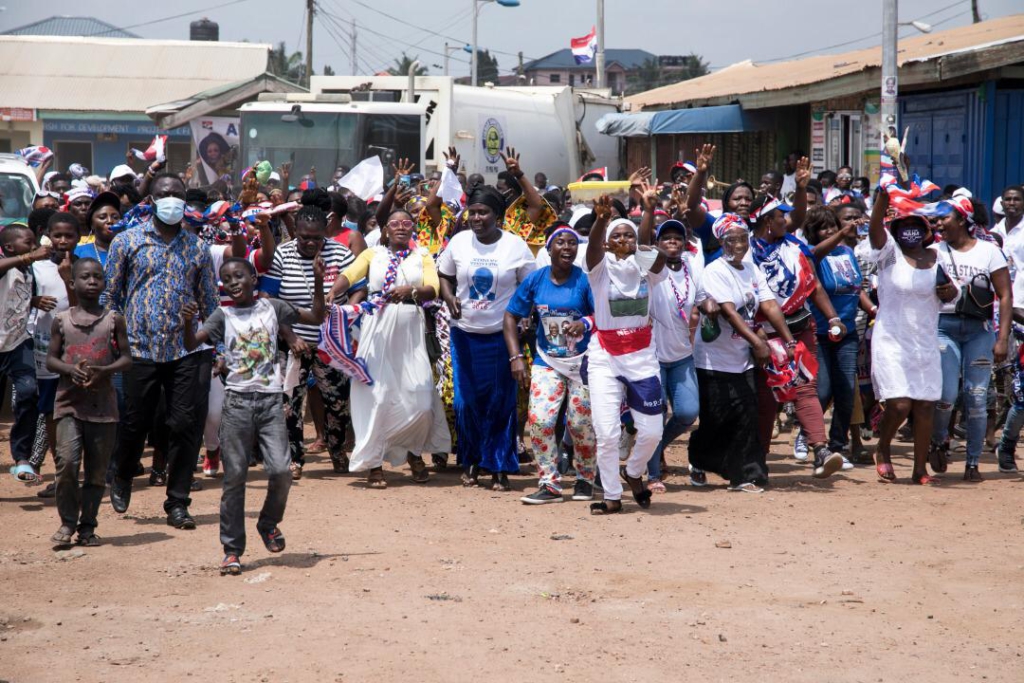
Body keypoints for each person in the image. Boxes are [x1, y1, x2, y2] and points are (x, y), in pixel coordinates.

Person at [183, 257, 324, 574]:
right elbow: (192, 343)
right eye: (227, 279)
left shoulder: (272, 307)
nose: (233, 282)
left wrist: (317, 282)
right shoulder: (223, 315)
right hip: (237, 403)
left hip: (271, 402)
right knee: (234, 478)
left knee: (281, 471)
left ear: (253, 278)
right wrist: (188, 322)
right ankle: (232, 550)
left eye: (239, 276)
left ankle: (268, 523)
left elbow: (315, 316)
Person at [105, 173, 219, 529]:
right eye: (164, 194)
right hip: (139, 347)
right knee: (136, 421)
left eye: (178, 195)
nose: (171, 200)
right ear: (151, 200)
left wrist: (214, 344)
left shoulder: (196, 247)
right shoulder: (127, 242)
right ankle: (122, 474)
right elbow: (112, 296)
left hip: (185, 350)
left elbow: (210, 302)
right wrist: (112, 338)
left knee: (185, 425)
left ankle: (178, 502)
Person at [326, 209, 451, 488]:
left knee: (419, 398)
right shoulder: (373, 254)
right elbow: (349, 274)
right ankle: (374, 463)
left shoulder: (423, 256)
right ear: (385, 230)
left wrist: (412, 291)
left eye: (407, 223)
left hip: (411, 333)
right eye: (395, 223)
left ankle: (411, 450)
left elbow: (434, 288)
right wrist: (334, 290)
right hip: (377, 330)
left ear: (413, 228)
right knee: (378, 398)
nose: (401, 227)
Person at [437, 185, 536, 491]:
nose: (476, 218)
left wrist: (521, 317)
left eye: (483, 212)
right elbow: (444, 275)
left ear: (498, 215)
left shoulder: (515, 247)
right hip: (464, 335)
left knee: (500, 403)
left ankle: (499, 466)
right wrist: (450, 296)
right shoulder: (459, 242)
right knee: (466, 404)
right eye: (472, 212)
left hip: (500, 338)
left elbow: (528, 286)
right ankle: (470, 461)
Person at [690, 214, 794, 492]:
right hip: (714, 357)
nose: (738, 244)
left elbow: (769, 304)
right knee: (716, 418)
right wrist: (757, 343)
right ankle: (698, 457)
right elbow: (729, 312)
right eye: (731, 240)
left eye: (742, 238)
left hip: (742, 357)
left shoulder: (750, 268)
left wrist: (788, 340)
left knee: (748, 413)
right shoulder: (715, 271)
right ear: (721, 242)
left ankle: (747, 474)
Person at [748, 189, 847, 479]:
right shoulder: (747, 252)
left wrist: (833, 317)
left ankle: (821, 450)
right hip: (762, 334)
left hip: (801, 327)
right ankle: (759, 458)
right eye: (781, 216)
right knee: (767, 397)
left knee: (805, 386)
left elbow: (813, 286)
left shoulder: (793, 247)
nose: (787, 220)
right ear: (768, 221)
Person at [583, 196, 668, 513]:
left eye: (628, 235)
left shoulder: (647, 269)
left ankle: (633, 472)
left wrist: (647, 211)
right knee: (606, 433)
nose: (623, 240)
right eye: (616, 236)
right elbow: (592, 249)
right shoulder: (599, 270)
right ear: (607, 243)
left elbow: (649, 249)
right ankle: (612, 495)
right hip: (605, 354)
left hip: (642, 355)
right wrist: (601, 220)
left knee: (652, 431)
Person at [263, 205, 359, 478]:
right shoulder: (284, 252)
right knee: (288, 404)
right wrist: (290, 336)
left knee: (338, 402)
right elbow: (268, 299)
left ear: (325, 234)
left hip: (332, 344)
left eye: (316, 238)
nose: (309, 242)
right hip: (291, 341)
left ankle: (338, 452)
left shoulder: (340, 254)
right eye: (304, 236)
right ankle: (294, 459)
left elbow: (358, 288)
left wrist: (347, 313)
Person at [868, 188, 955, 485]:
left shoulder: (938, 257)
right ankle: (883, 449)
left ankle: (920, 469)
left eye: (916, 226)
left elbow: (950, 292)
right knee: (900, 404)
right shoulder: (889, 253)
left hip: (925, 341)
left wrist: (951, 292)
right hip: (891, 339)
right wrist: (884, 195)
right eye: (904, 227)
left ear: (926, 231)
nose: (910, 231)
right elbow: (875, 226)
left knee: (926, 405)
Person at [505, 225, 597, 504]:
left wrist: (583, 324)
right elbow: (510, 317)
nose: (567, 248)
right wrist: (516, 357)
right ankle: (550, 483)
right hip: (547, 360)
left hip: (583, 362)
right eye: (561, 243)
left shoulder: (585, 281)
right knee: (541, 421)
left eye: (572, 243)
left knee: (580, 424)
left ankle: (585, 478)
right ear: (548, 249)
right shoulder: (535, 280)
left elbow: (601, 315)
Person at [46, 258, 131, 547]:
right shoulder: (61, 320)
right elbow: (51, 359)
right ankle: (67, 523)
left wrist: (104, 371)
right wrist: (71, 370)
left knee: (96, 472)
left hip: (104, 407)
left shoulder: (113, 319)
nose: (92, 281)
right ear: (73, 283)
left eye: (97, 277)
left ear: (104, 284)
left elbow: (126, 359)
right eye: (85, 277)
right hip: (69, 403)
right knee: (67, 463)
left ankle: (87, 527)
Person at [927, 195, 1010, 481]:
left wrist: (1002, 338)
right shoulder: (932, 251)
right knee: (946, 395)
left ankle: (972, 462)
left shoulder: (988, 251)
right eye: (936, 219)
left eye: (944, 218)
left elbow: (1005, 295)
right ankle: (938, 441)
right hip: (942, 327)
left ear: (962, 219)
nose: (938, 223)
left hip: (979, 331)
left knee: (976, 398)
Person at [803, 206, 869, 461]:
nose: (829, 230)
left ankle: (837, 446)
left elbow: (856, 286)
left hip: (848, 331)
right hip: (819, 332)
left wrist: (872, 307)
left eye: (832, 225)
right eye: (823, 227)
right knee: (823, 390)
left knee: (845, 390)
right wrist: (841, 232)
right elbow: (818, 255)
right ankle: (809, 433)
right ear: (813, 232)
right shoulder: (811, 254)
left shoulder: (848, 252)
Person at [28, 212, 79, 482]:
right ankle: (60, 472)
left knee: (76, 407)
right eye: (57, 235)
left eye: (68, 236)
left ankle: (73, 469)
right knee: (49, 409)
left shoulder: (84, 266)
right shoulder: (37, 267)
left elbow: (82, 309)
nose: (62, 241)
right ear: (48, 235)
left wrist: (69, 276)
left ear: (77, 237)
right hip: (46, 347)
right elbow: (20, 297)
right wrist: (34, 300)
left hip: (78, 348)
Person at [1, 225, 51, 482]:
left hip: (18, 342)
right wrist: (27, 257)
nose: (34, 246)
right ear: (10, 247)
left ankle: (22, 459)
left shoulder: (29, 268)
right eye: (28, 242)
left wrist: (34, 301)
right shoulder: (7, 263)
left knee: (30, 391)